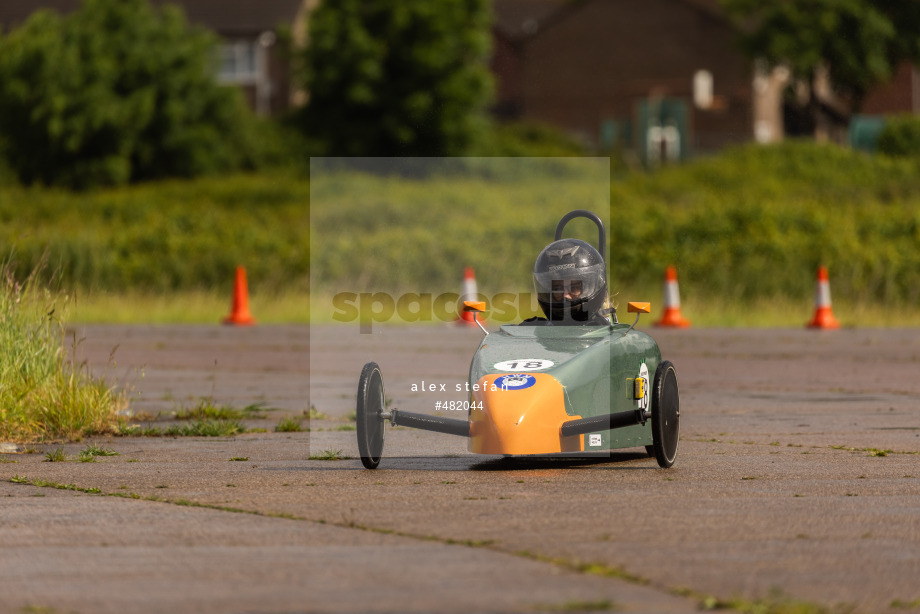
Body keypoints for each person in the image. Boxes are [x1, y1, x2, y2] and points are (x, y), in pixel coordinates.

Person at [521, 238, 613, 326]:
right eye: (557, 289)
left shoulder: (606, 333)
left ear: (589, 287)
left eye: (574, 288)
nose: (565, 295)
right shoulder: (536, 329)